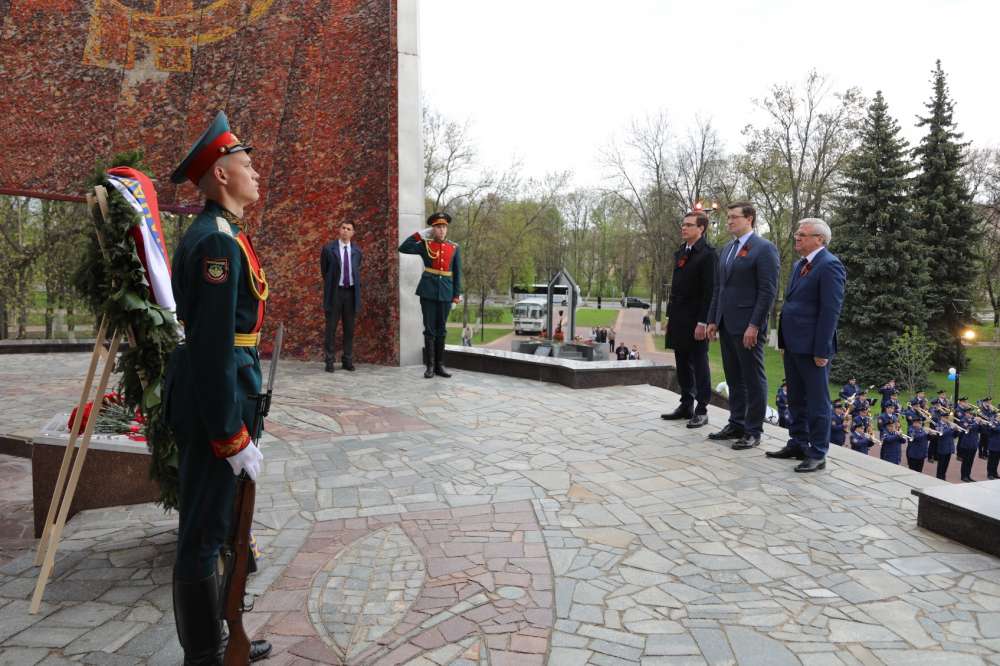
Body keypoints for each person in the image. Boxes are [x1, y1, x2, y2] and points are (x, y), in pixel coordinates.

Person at [164, 110, 272, 664]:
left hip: (225, 391)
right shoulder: (216, 244)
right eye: (246, 164)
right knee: (204, 531)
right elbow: (212, 349)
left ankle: (217, 645)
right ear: (222, 174)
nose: (255, 172)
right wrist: (230, 435)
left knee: (216, 524)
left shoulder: (223, 235)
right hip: (216, 402)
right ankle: (205, 655)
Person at [767, 218, 846, 472]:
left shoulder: (830, 265)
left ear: (819, 239)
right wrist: (783, 341)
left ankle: (818, 452)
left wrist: (822, 350)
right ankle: (798, 443)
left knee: (817, 402)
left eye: (803, 234)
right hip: (793, 345)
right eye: (797, 234)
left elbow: (830, 311)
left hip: (813, 348)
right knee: (796, 399)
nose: (797, 238)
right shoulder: (799, 264)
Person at [706, 202, 780, 450]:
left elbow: (767, 291)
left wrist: (755, 325)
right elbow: (719, 288)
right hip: (727, 324)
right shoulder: (727, 249)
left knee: (753, 379)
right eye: (728, 217)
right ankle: (736, 423)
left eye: (734, 217)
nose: (729, 221)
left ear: (749, 219)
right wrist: (713, 319)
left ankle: (753, 430)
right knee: (734, 377)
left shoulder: (764, 248)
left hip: (748, 327)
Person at [662, 210, 718, 429]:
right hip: (679, 317)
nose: (683, 228)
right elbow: (675, 289)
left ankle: (702, 409)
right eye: (683, 224)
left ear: (701, 228)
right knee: (682, 362)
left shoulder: (708, 254)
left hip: (696, 319)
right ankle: (686, 403)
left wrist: (703, 322)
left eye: (689, 225)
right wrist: (669, 316)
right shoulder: (681, 252)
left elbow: (709, 292)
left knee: (699, 363)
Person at [399, 212, 462, 378]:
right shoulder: (425, 245)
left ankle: (440, 365)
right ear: (433, 229)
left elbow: (457, 273)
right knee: (429, 330)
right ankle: (430, 366)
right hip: (428, 291)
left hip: (446, 293)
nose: (442, 230)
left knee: (442, 329)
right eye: (438, 227)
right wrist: (420, 234)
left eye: (444, 227)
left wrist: (456, 296)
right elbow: (403, 247)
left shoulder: (454, 248)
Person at [320, 221, 362, 372]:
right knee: (331, 328)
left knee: (349, 329)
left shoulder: (357, 251)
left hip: (350, 293)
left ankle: (347, 360)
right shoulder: (328, 249)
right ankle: (329, 361)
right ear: (339, 230)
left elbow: (356, 269)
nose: (345, 231)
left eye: (348, 229)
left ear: (353, 233)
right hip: (335, 293)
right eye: (343, 228)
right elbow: (324, 271)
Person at [956, 412, 979, 482]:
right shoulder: (963, 420)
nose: (971, 415)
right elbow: (969, 427)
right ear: (966, 414)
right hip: (966, 444)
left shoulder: (973, 421)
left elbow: (981, 430)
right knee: (965, 461)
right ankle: (963, 476)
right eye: (969, 413)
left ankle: (968, 475)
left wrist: (981, 423)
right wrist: (976, 422)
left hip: (974, 444)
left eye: (972, 414)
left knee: (970, 461)